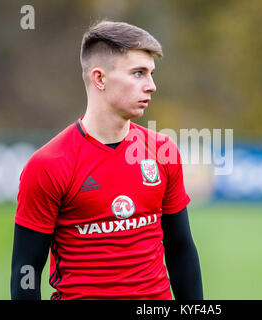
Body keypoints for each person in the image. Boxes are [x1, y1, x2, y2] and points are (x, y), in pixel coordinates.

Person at [11, 20, 203, 300]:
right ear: (99, 78)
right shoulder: (48, 165)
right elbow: (25, 269)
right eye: (138, 73)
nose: (151, 86)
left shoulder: (163, 151)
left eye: (150, 74)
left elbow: (181, 248)